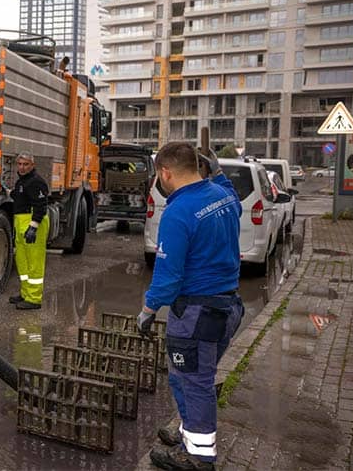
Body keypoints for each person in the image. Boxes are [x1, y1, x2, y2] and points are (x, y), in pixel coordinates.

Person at [138, 142, 244, 471]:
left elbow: (167, 278)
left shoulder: (179, 212)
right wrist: (221, 172)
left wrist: (147, 310)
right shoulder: (222, 195)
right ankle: (189, 433)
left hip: (197, 315)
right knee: (183, 376)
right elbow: (235, 201)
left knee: (195, 382)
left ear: (165, 173)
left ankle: (198, 457)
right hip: (228, 308)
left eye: (159, 175)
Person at [9, 152, 50, 310]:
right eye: (20, 164)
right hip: (21, 222)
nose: (22, 167)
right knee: (23, 261)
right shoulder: (22, 181)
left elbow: (41, 205)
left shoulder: (36, 182)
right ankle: (25, 294)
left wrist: (33, 226)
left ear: (32, 165)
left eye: (26, 164)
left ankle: (34, 299)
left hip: (32, 224)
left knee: (34, 263)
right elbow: (19, 196)